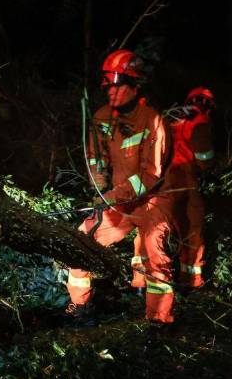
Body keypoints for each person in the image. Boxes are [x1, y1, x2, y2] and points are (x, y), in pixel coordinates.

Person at [67, 49, 175, 324]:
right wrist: (99, 182)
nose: (111, 92)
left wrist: (113, 195)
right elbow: (96, 156)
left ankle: (158, 321)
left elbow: (150, 176)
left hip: (153, 202)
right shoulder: (104, 117)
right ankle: (79, 308)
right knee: (81, 239)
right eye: (108, 86)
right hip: (119, 202)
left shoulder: (153, 121)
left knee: (155, 255)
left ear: (134, 85)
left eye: (117, 86)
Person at [131, 87, 216, 289]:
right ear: (209, 105)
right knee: (191, 229)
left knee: (151, 227)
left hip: (160, 179)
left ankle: (140, 280)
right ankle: (190, 281)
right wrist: (210, 167)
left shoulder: (171, 117)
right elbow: (204, 158)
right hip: (184, 179)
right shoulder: (200, 121)